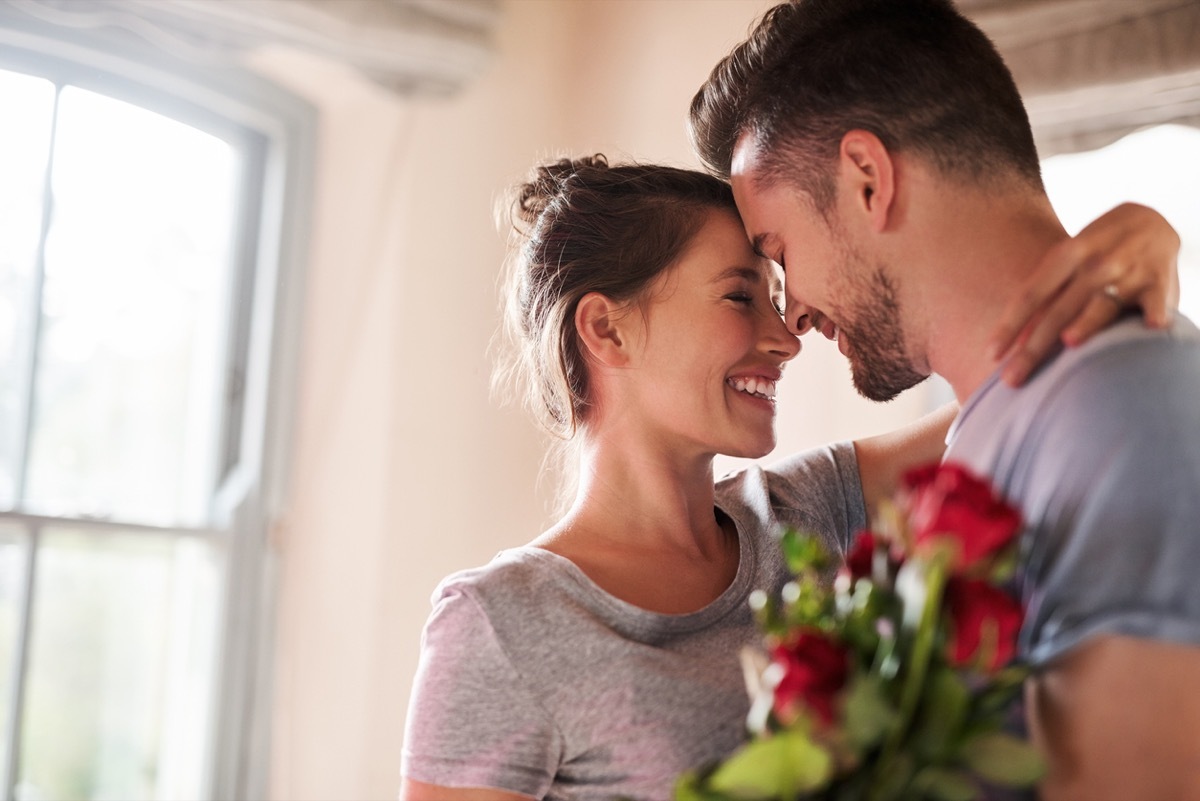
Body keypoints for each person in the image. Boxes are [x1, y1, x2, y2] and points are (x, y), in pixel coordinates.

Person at [398, 151, 1180, 800]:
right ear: (606, 327)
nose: (785, 337)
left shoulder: (804, 512)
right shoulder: (498, 627)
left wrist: (1144, 245)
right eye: (741, 296)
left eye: (777, 297)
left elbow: (1021, 377)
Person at [690, 1, 1200, 799]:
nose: (791, 317)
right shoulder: (997, 422)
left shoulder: (1123, 405)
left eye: (778, 253)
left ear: (868, 179)